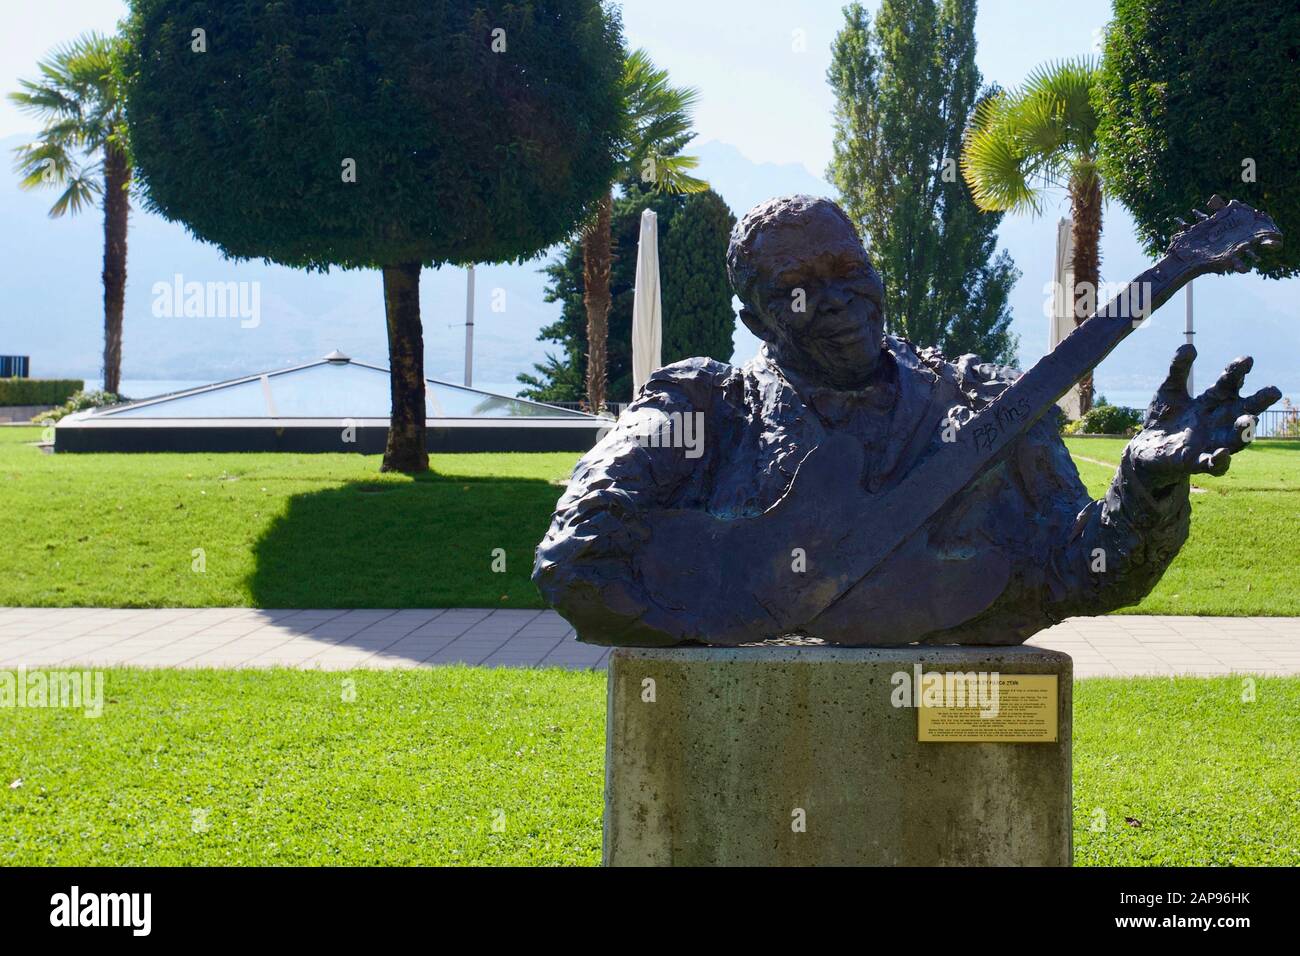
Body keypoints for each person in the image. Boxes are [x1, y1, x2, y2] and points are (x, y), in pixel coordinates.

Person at [533, 195, 1279, 647]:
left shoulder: (989, 400)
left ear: (876, 271)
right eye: (794, 289)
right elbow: (576, 561)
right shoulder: (703, 408)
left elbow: (1082, 572)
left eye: (849, 271)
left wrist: (1146, 486)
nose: (834, 299)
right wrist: (754, 609)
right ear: (755, 322)